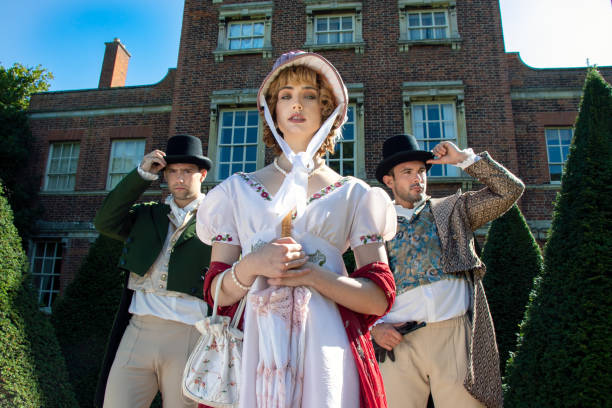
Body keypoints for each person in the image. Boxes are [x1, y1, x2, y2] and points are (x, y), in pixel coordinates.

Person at [195, 50, 397, 408]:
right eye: (285, 95)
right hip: (254, 346)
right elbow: (216, 293)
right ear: (272, 109)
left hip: (326, 345)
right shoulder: (235, 190)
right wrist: (253, 265)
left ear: (328, 110)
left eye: (309, 96)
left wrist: (314, 276)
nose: (296, 104)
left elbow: (378, 297)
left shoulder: (355, 194)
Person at [371, 134, 525, 408]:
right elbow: (360, 283)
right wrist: (374, 329)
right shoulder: (374, 225)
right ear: (389, 181)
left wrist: (465, 160)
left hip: (454, 338)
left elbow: (509, 191)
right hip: (396, 343)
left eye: (421, 171)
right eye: (407, 172)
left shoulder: (452, 210)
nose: (417, 177)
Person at [93, 134, 213, 408]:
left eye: (187, 171)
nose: (179, 178)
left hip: (190, 334)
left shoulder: (216, 217)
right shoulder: (148, 215)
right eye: (172, 172)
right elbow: (104, 221)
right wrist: (141, 175)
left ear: (202, 174)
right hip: (138, 331)